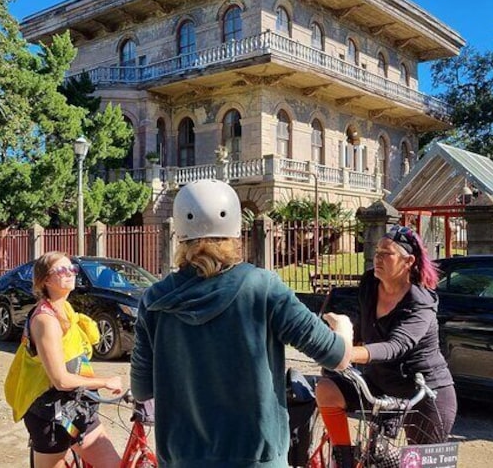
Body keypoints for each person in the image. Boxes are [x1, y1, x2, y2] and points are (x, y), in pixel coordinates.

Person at [130, 179, 354, 467]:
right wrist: (344, 328)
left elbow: (141, 389)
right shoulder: (262, 287)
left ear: (180, 235)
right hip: (256, 458)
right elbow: (336, 356)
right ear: (235, 232)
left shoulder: (155, 299)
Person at [315, 225, 457, 467]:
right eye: (376, 252)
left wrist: (345, 353)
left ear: (408, 261)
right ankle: (344, 459)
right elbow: (366, 325)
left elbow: (396, 346)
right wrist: (341, 337)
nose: (376, 258)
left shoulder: (420, 302)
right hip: (380, 383)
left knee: (419, 463)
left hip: (424, 392)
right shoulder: (371, 283)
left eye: (385, 253)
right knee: (326, 389)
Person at [14, 251, 123, 468]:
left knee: (112, 464)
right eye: (62, 270)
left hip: (77, 405)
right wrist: (105, 381)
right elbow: (61, 380)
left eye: (72, 268)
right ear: (45, 280)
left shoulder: (65, 308)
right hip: (50, 412)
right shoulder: (45, 320)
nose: (70, 273)